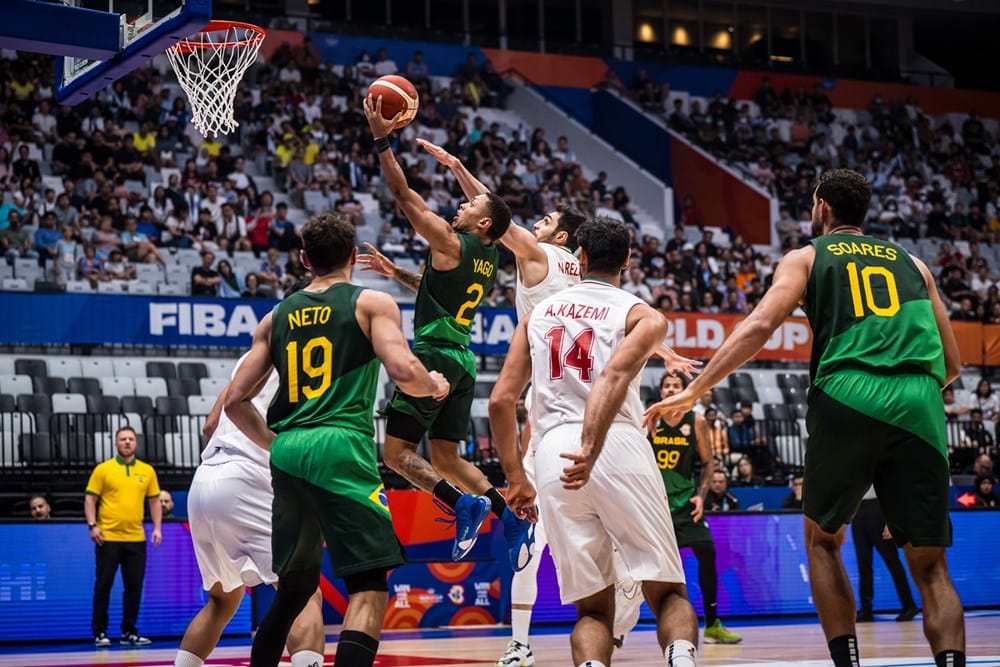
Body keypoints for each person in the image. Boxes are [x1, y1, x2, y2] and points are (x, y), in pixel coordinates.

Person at [395, 139, 702, 665]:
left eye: (546, 219)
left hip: (554, 424)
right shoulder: (633, 307)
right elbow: (632, 336)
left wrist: (459, 168)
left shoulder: (541, 269)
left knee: (575, 592)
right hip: (612, 431)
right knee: (665, 586)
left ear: (571, 245)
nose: (534, 223)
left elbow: (495, 214)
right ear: (623, 260)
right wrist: (667, 351)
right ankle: (650, 618)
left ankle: (526, 639)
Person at [644, 169, 966, 667]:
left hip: (847, 391)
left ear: (821, 208)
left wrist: (696, 389)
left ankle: (848, 662)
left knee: (822, 541)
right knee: (931, 566)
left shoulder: (809, 256)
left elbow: (760, 325)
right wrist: (906, 396)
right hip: (921, 401)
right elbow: (953, 364)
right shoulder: (915, 265)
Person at [224, 212, 449, 667]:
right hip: (340, 444)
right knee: (368, 584)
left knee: (293, 589)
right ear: (353, 256)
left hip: (288, 449)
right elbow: (405, 373)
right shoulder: (371, 302)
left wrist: (277, 446)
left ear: (305, 259)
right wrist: (436, 386)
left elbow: (234, 402)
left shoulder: (276, 315)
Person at [490, 217, 701, 667]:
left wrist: (515, 479)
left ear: (578, 258)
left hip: (550, 454)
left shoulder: (536, 316)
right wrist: (590, 444)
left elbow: (500, 401)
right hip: (614, 440)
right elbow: (614, 376)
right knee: (668, 592)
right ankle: (681, 659)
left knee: (591, 609)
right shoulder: (643, 314)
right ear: (627, 259)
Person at [362, 93, 532, 566]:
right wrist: (394, 271)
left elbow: (404, 198)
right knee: (446, 458)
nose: (461, 205)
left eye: (469, 204)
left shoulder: (450, 239)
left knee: (396, 454)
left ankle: (462, 504)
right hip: (462, 361)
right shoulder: (491, 256)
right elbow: (434, 286)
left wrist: (381, 142)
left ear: (482, 222)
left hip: (433, 356)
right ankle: (510, 518)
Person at [175, 327, 325, 667]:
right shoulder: (313, 354)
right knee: (304, 594)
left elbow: (211, 425)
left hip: (205, 479)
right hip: (248, 476)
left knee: (221, 601)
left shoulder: (251, 356)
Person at [651, 371, 742, 645]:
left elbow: (708, 463)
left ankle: (712, 624)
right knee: (644, 567)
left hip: (686, 503)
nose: (669, 389)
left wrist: (701, 495)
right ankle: (620, 627)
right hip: (656, 506)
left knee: (707, 551)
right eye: (666, 385)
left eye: (675, 385)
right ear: (660, 391)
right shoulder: (650, 419)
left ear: (684, 390)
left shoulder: (697, 420)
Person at [85, 426, 162, 648]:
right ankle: (100, 632)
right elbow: (90, 499)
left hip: (136, 538)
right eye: (122, 439)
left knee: (134, 587)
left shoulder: (147, 471)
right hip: (107, 537)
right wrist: (93, 525)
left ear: (135, 443)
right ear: (116, 443)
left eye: (130, 439)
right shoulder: (103, 469)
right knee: (103, 585)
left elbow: (154, 500)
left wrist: (157, 528)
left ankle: (129, 632)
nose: (127, 442)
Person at [851, 486, 919, 624]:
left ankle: (909, 605)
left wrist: (890, 520)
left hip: (878, 507)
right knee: (863, 564)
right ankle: (866, 610)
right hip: (857, 508)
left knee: (892, 561)